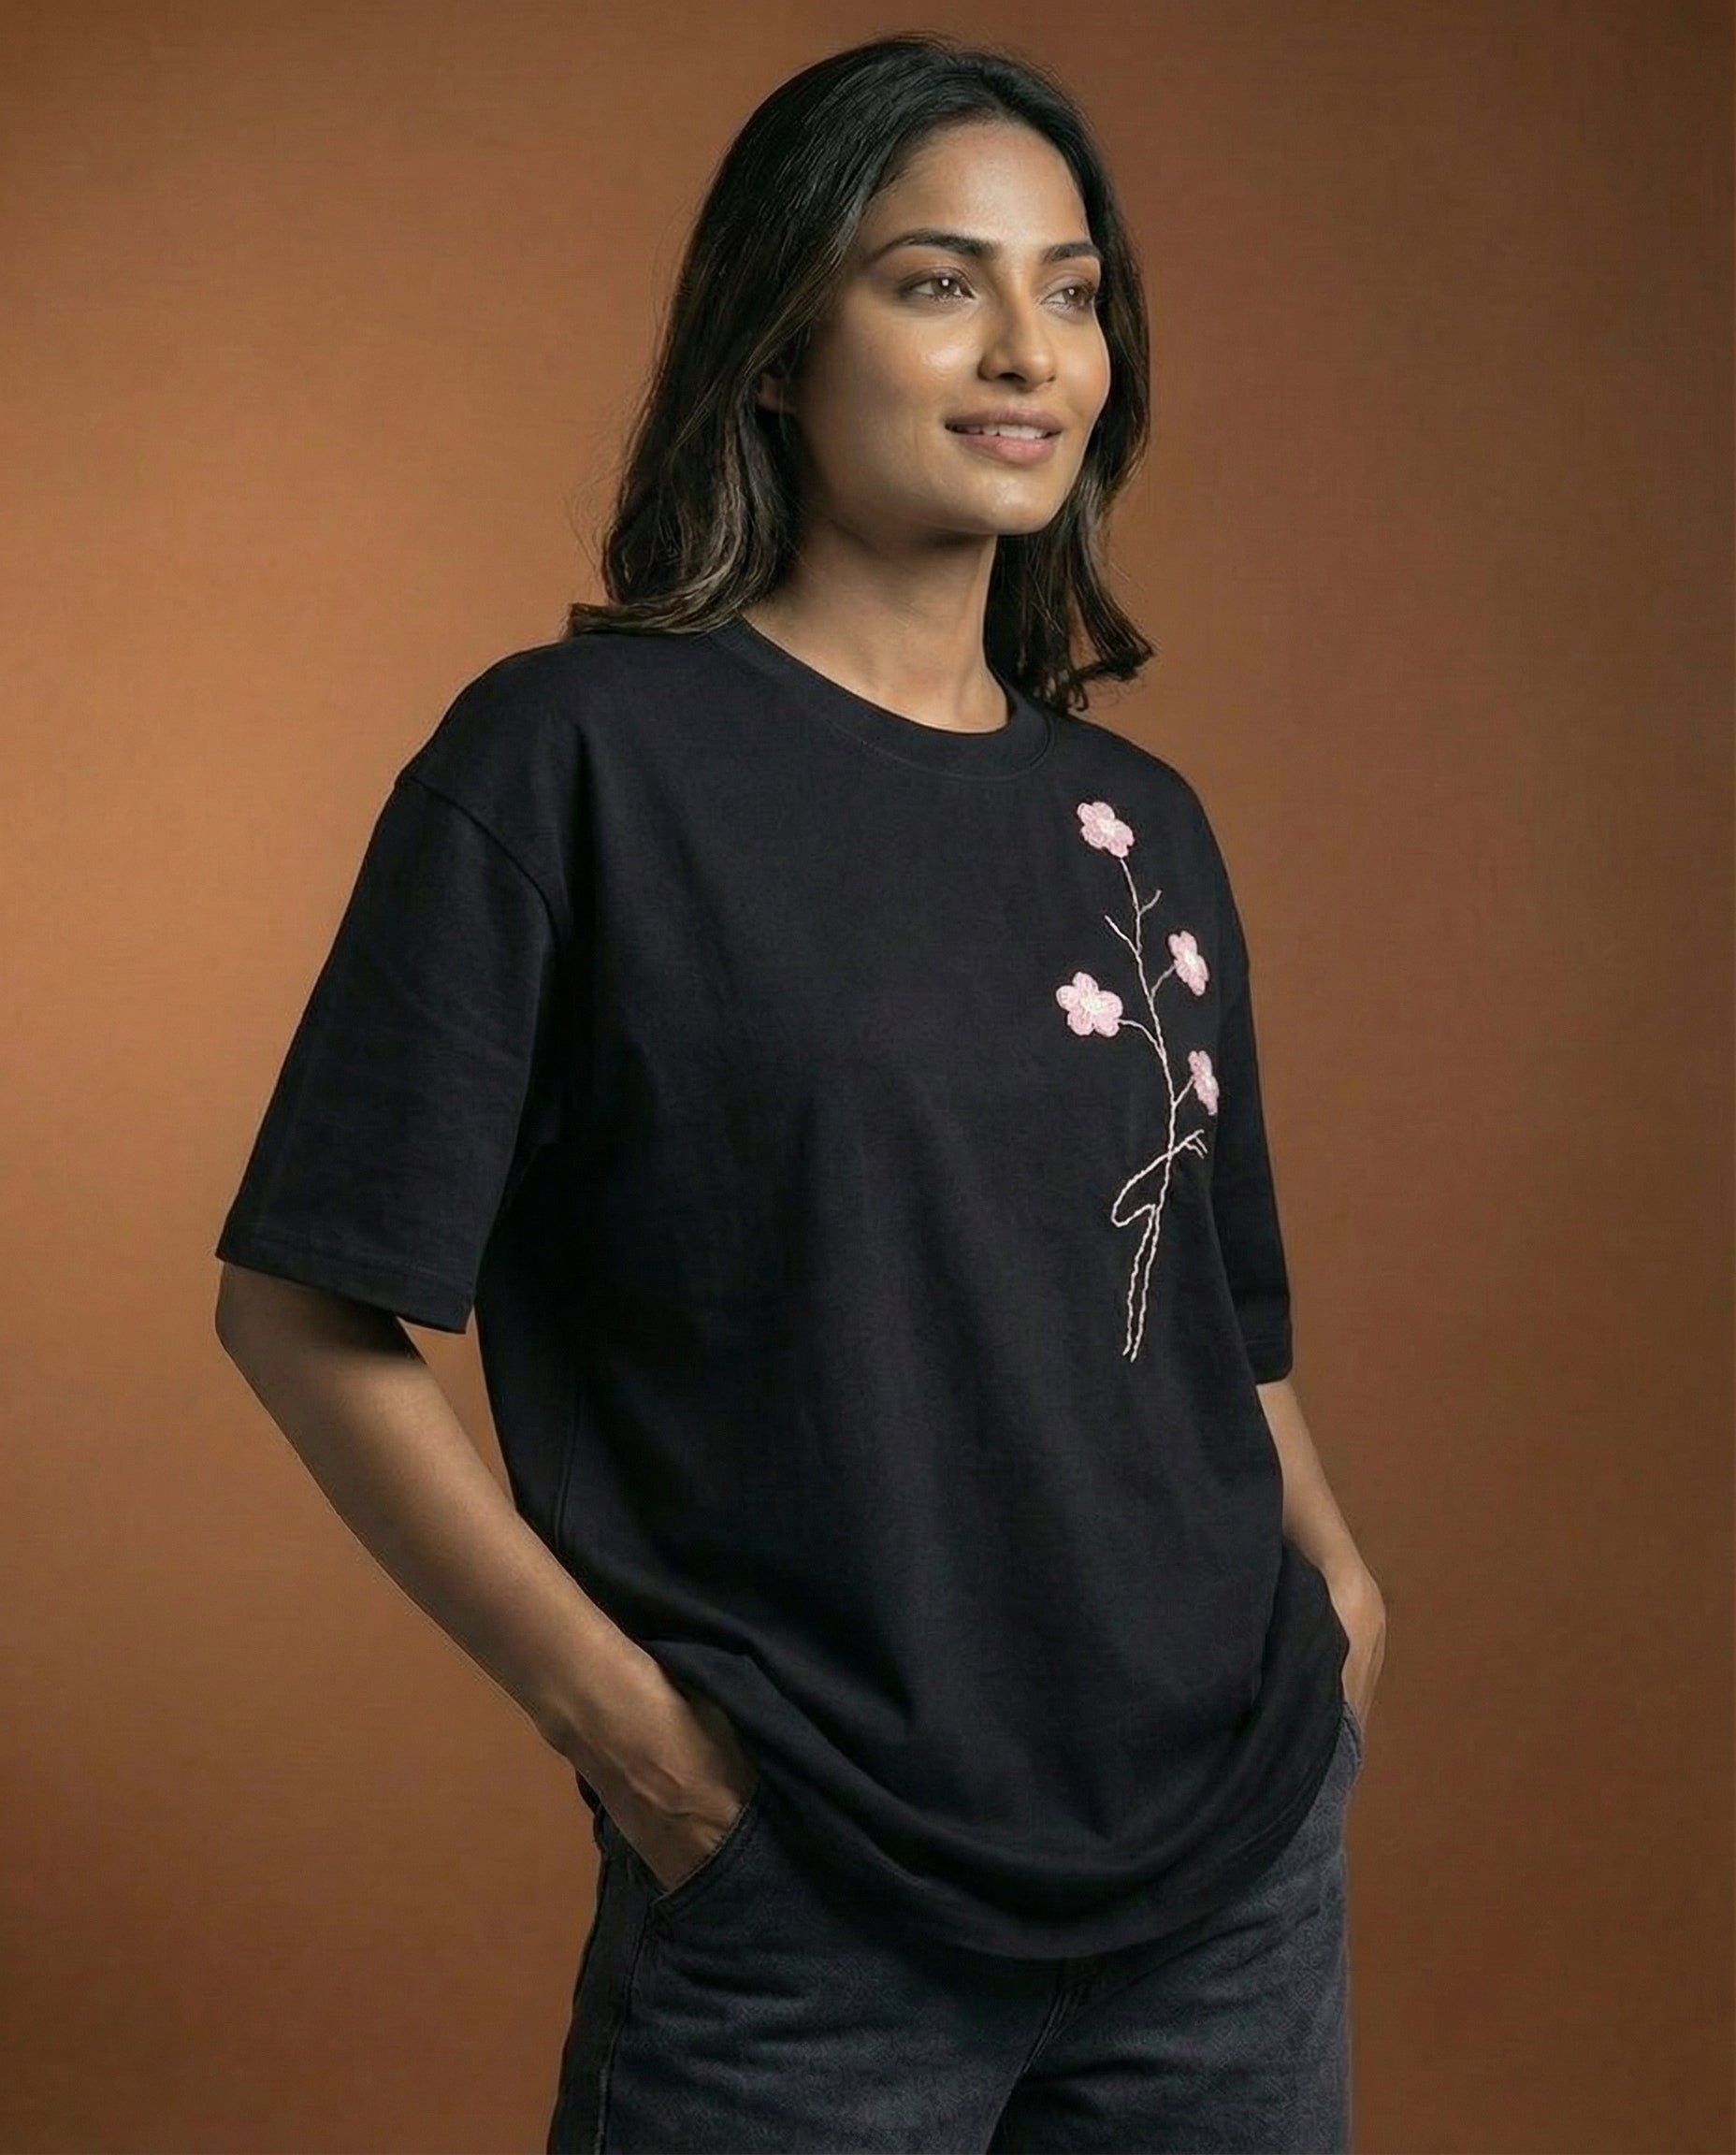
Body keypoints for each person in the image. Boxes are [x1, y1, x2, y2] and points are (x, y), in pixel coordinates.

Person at [212, 31, 1387, 2154]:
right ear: (775, 340)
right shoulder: (574, 763)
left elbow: (1218, 1316)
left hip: (1230, 1882)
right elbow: (301, 1305)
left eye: (1074, 285)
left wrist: (1340, 1603)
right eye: (937, 280)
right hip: (812, 1911)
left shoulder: (1143, 823)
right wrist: (637, 1746)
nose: (1028, 346)